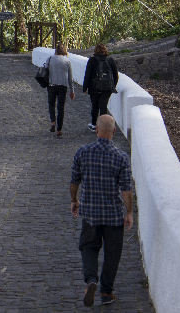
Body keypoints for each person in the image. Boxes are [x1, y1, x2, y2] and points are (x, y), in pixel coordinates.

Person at [70, 114, 134, 307]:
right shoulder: (121, 157)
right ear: (114, 132)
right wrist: (129, 212)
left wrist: (74, 200)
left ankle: (91, 280)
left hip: (90, 213)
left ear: (97, 130)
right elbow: (126, 189)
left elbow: (74, 181)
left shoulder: (82, 152)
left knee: (88, 247)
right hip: (113, 216)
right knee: (112, 252)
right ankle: (106, 292)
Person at [83, 43, 119, 132]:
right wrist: (113, 86)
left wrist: (85, 88)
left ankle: (94, 125)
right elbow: (115, 75)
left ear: (95, 50)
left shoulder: (92, 60)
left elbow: (87, 75)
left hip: (94, 87)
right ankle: (104, 127)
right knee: (103, 106)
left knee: (95, 106)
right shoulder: (110, 60)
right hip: (107, 88)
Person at [46, 43, 75, 137]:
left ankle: (53, 122)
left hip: (51, 84)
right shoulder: (67, 61)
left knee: (51, 104)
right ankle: (59, 129)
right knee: (61, 107)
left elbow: (46, 71)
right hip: (63, 85)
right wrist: (72, 91)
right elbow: (70, 78)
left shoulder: (50, 59)